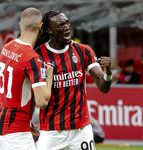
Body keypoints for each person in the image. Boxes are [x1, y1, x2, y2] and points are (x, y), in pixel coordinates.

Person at [35, 10, 112, 150]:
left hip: (81, 129)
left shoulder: (83, 50)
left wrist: (108, 73)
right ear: (50, 31)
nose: (67, 27)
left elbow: (103, 86)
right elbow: (30, 93)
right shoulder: (38, 56)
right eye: (60, 25)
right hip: (52, 129)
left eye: (67, 23)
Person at [0, 7, 53, 150]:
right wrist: (48, 76)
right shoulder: (32, 58)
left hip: (0, 122)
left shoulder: (7, 47)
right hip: (15, 129)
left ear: (20, 25)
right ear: (41, 26)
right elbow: (42, 101)